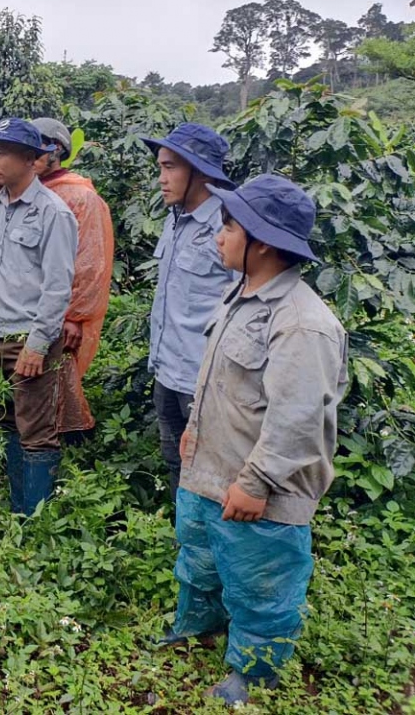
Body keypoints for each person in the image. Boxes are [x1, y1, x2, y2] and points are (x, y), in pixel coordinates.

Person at [162, 175, 347, 706]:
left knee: (261, 579)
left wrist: (257, 481)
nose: (218, 236)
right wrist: (194, 432)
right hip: (210, 469)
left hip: (257, 487)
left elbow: (297, 417)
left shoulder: (303, 324)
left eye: (229, 227)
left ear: (262, 242)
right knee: (199, 555)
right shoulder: (240, 294)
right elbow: (218, 378)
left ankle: (256, 668)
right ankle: (197, 624)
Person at [0, 118, 78, 514]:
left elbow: (58, 287)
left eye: (2, 152)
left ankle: (34, 519)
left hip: (27, 339)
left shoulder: (53, 214)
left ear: (31, 159)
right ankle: (16, 508)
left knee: (36, 432)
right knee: (6, 421)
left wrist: (38, 345)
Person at [142, 124, 236, 502]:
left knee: (212, 474)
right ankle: (187, 546)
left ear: (200, 172)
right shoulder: (176, 218)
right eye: (160, 168)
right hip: (168, 369)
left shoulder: (229, 225)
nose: (162, 179)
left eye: (170, 168)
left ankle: (209, 552)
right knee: (176, 464)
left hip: (206, 377)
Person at [30, 117, 114, 437]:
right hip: (30, 305)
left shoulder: (80, 197)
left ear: (57, 151)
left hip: (61, 309)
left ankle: (71, 439)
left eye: (37, 147)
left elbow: (90, 262)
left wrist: (76, 316)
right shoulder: (29, 190)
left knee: (59, 375)